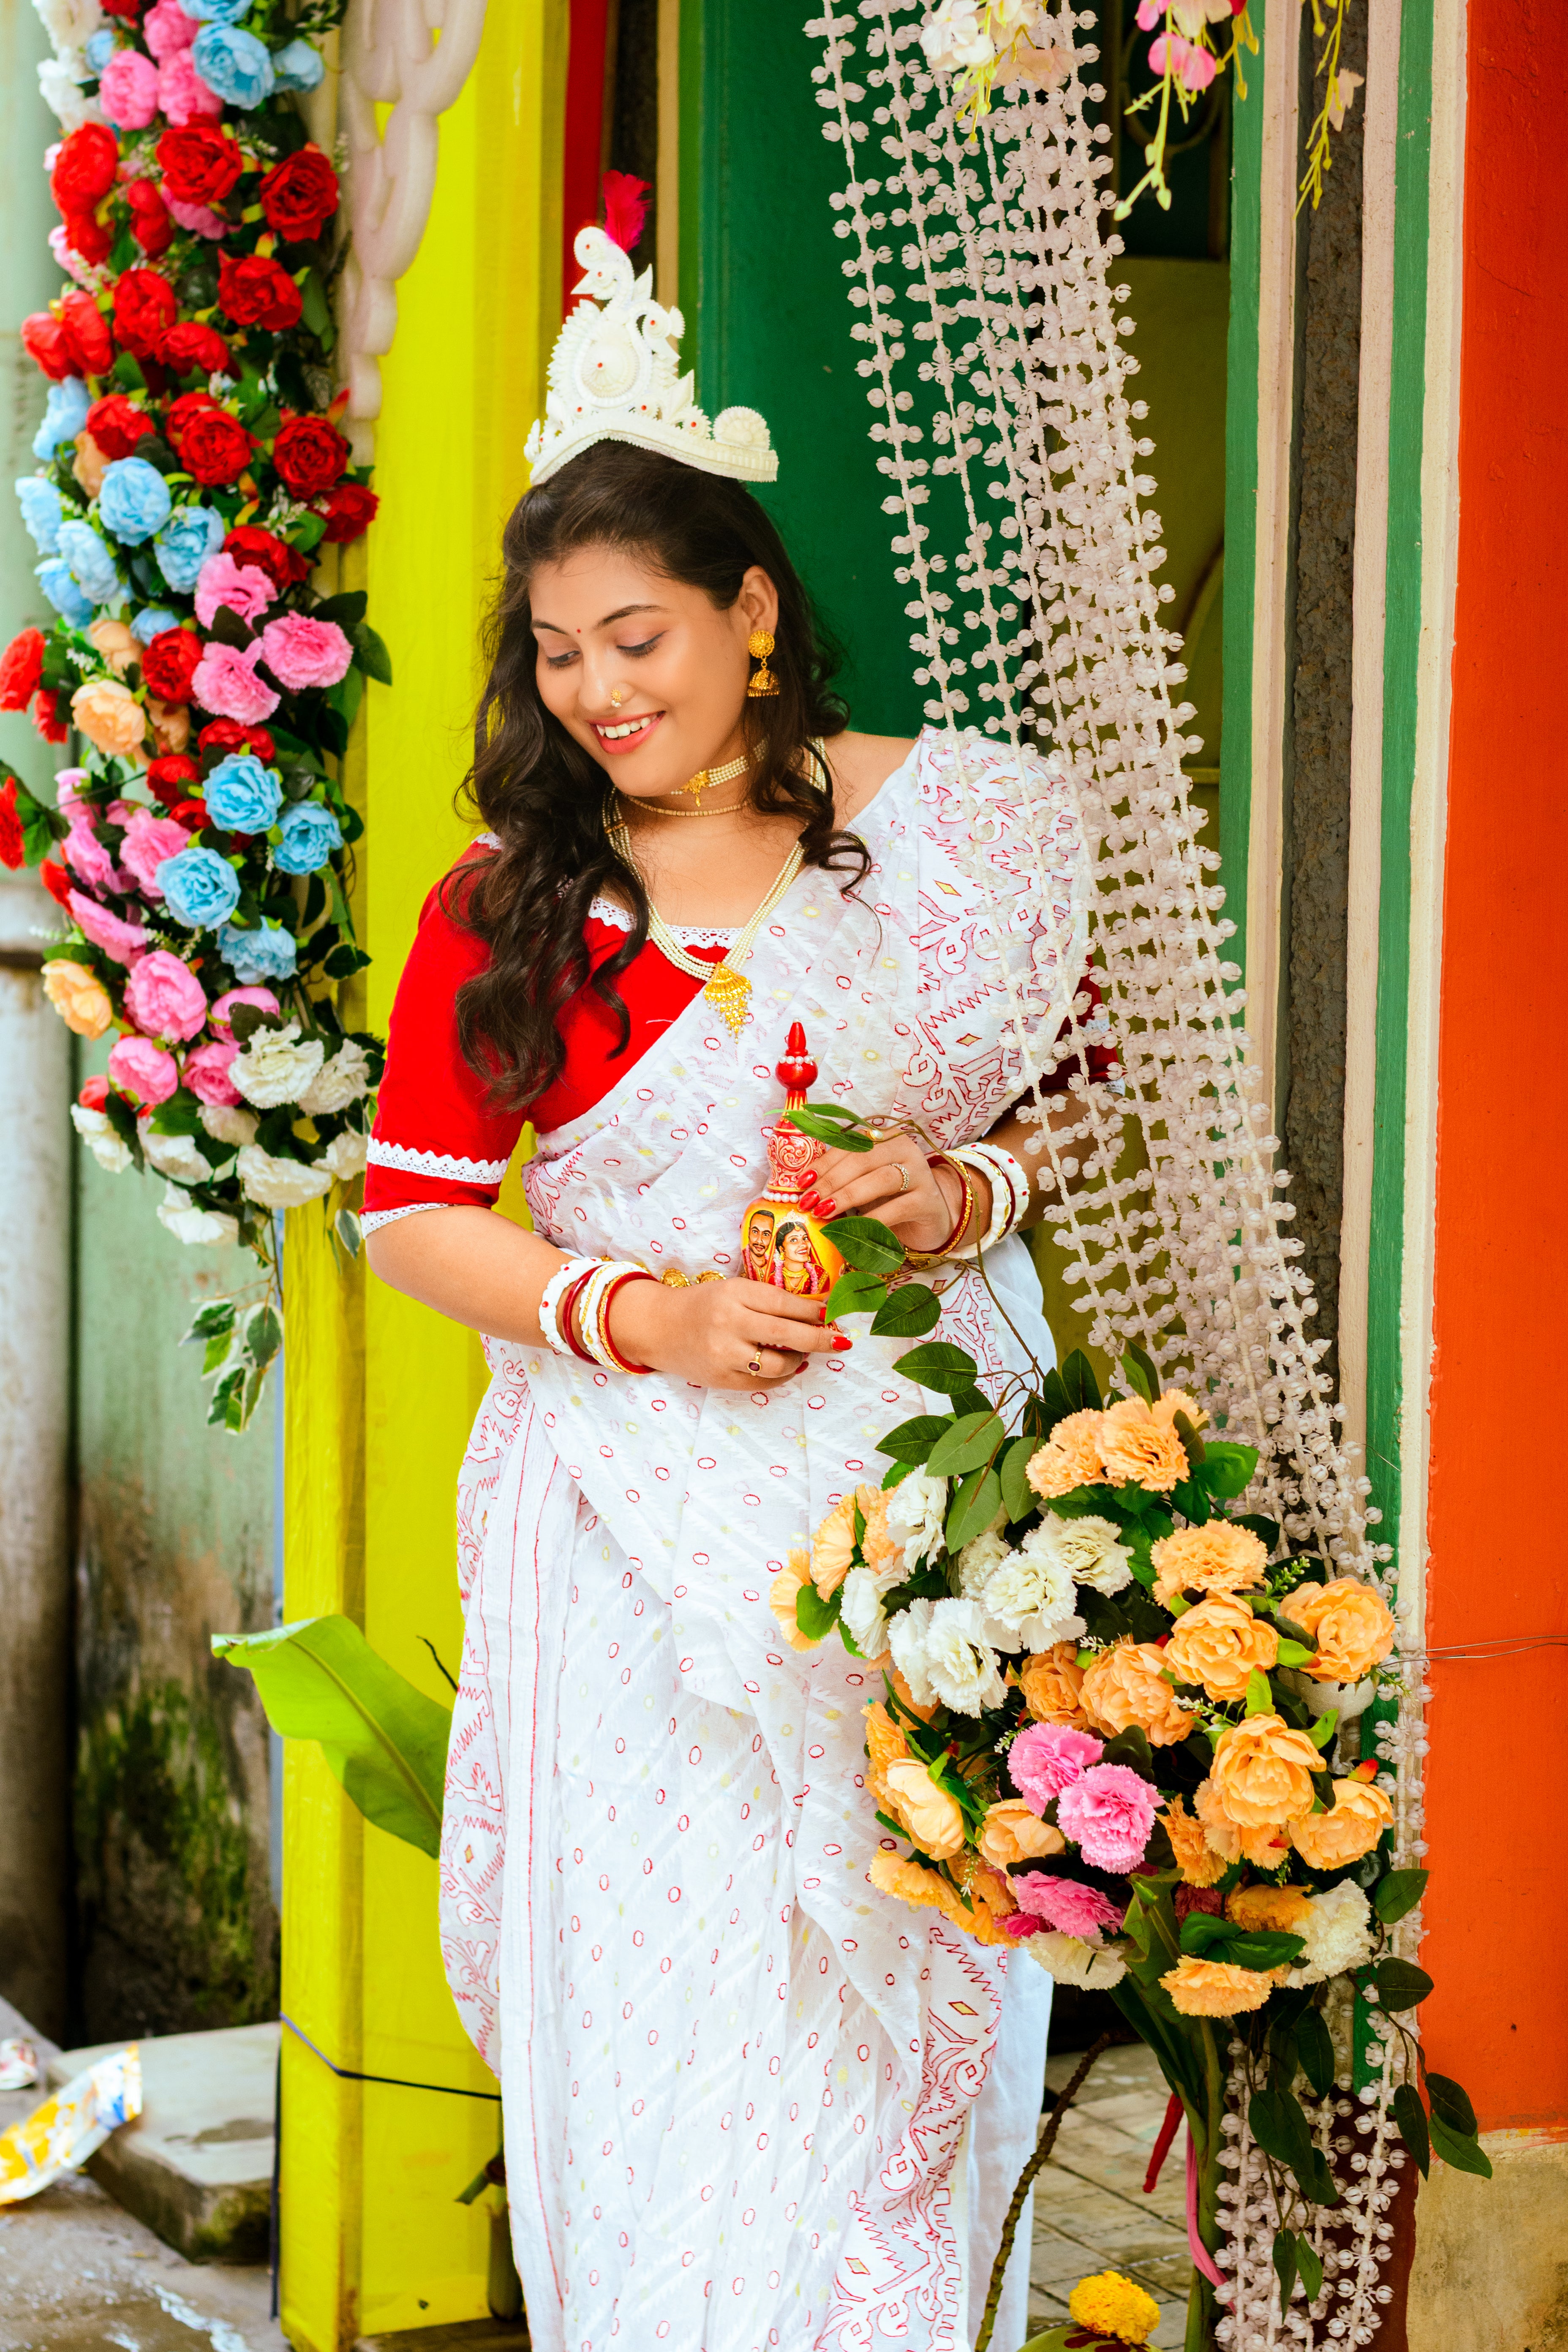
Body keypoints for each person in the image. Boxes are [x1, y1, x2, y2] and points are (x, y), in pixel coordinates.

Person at [364, 226, 1100, 2352]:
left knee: (889, 1999)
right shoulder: (515, 906)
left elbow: (1086, 1119)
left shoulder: (955, 846)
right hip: (633, 1561)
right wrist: (643, 1319)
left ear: (751, 613)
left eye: (638, 635)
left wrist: (955, 1189)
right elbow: (414, 1212)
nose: (601, 692)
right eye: (560, 655)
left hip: (915, 1540)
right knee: (668, 2024)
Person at [770, 1217, 831, 1299]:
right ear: (782, 1249)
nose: (804, 1245)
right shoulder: (772, 1279)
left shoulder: (821, 1275)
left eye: (805, 1238)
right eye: (794, 1240)